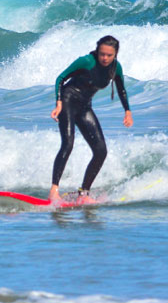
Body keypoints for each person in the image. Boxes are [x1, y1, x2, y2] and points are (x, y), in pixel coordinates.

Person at [48, 35, 133, 202]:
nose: (105, 58)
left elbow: (122, 90)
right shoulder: (86, 61)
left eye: (109, 55)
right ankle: (53, 190)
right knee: (68, 143)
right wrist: (58, 103)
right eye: (102, 54)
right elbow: (61, 78)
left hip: (85, 106)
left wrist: (127, 111)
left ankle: (84, 193)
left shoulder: (116, 67)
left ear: (115, 54)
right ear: (97, 51)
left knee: (101, 151)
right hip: (68, 101)